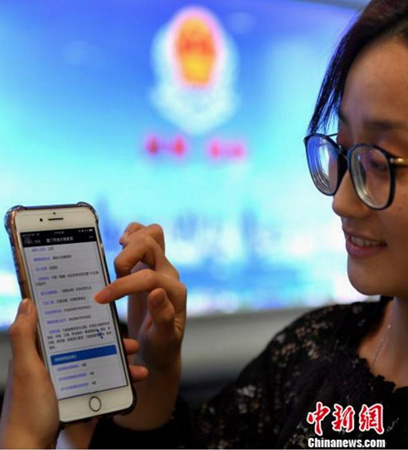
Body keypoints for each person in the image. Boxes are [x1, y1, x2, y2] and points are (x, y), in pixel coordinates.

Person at [2, 0, 408, 447]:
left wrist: (22, 439)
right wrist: (156, 374)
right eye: (344, 152)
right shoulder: (312, 349)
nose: (342, 201)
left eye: (380, 162)